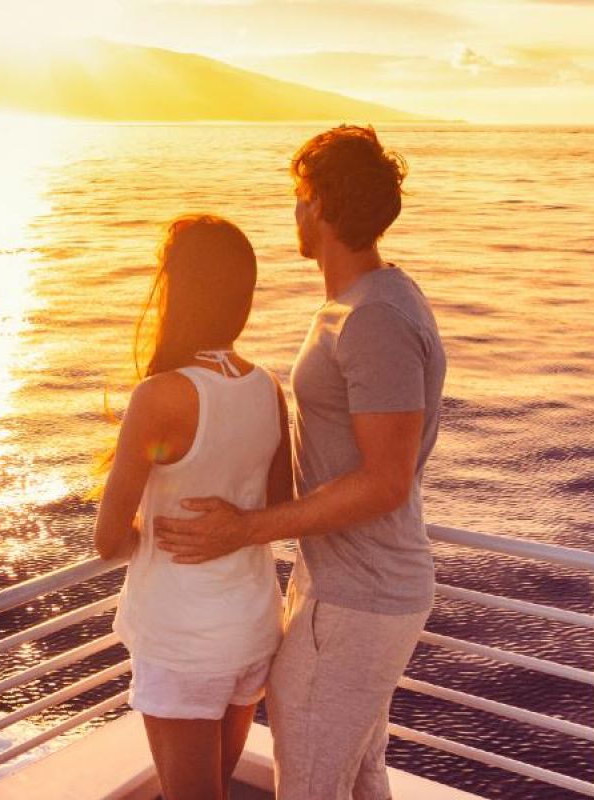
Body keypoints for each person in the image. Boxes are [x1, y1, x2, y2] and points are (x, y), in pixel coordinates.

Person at [155, 125, 446, 799]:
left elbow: (384, 480)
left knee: (310, 783)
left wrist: (244, 528)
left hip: (359, 596)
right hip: (341, 585)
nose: (293, 212)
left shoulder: (372, 318)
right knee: (360, 777)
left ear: (315, 204)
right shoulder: (362, 303)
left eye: (297, 196)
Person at [92, 215, 293, 800]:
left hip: (185, 639)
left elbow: (109, 540)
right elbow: (277, 504)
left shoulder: (160, 397)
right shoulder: (266, 387)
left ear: (176, 291)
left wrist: (149, 533)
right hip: (252, 626)